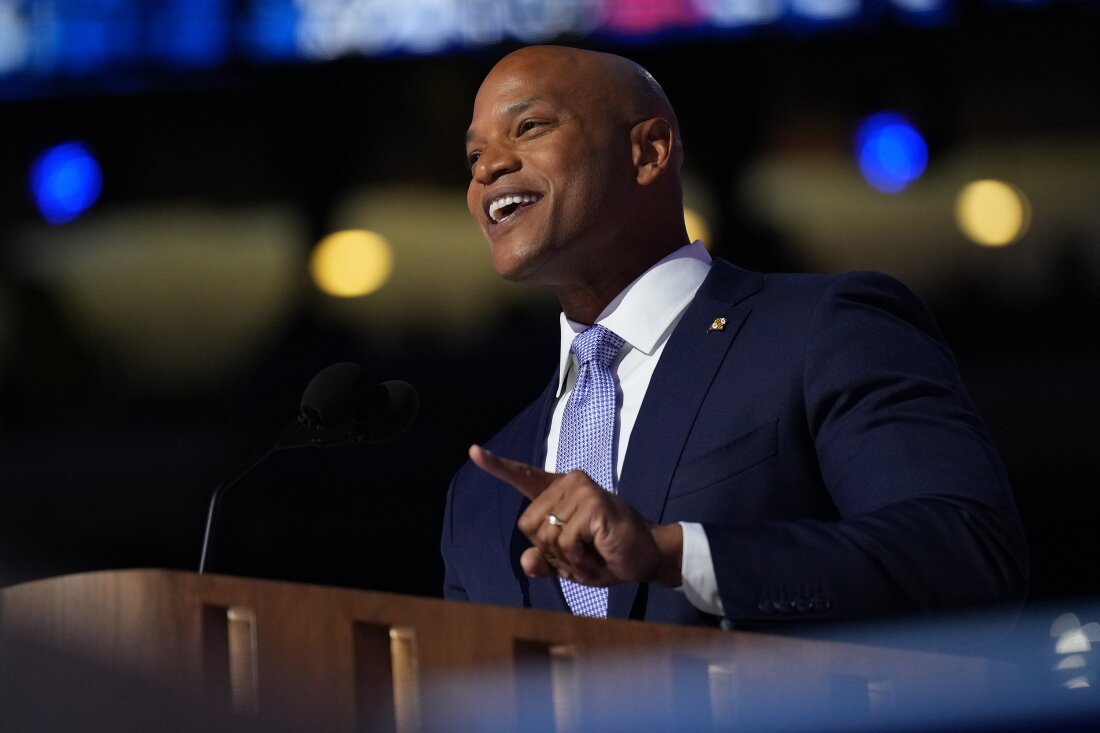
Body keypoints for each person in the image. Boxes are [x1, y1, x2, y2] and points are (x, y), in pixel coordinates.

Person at [440, 44, 1028, 628]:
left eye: (530, 127)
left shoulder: (823, 331)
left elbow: (966, 553)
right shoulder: (481, 492)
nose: (489, 167)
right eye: (473, 157)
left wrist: (676, 554)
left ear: (648, 151)